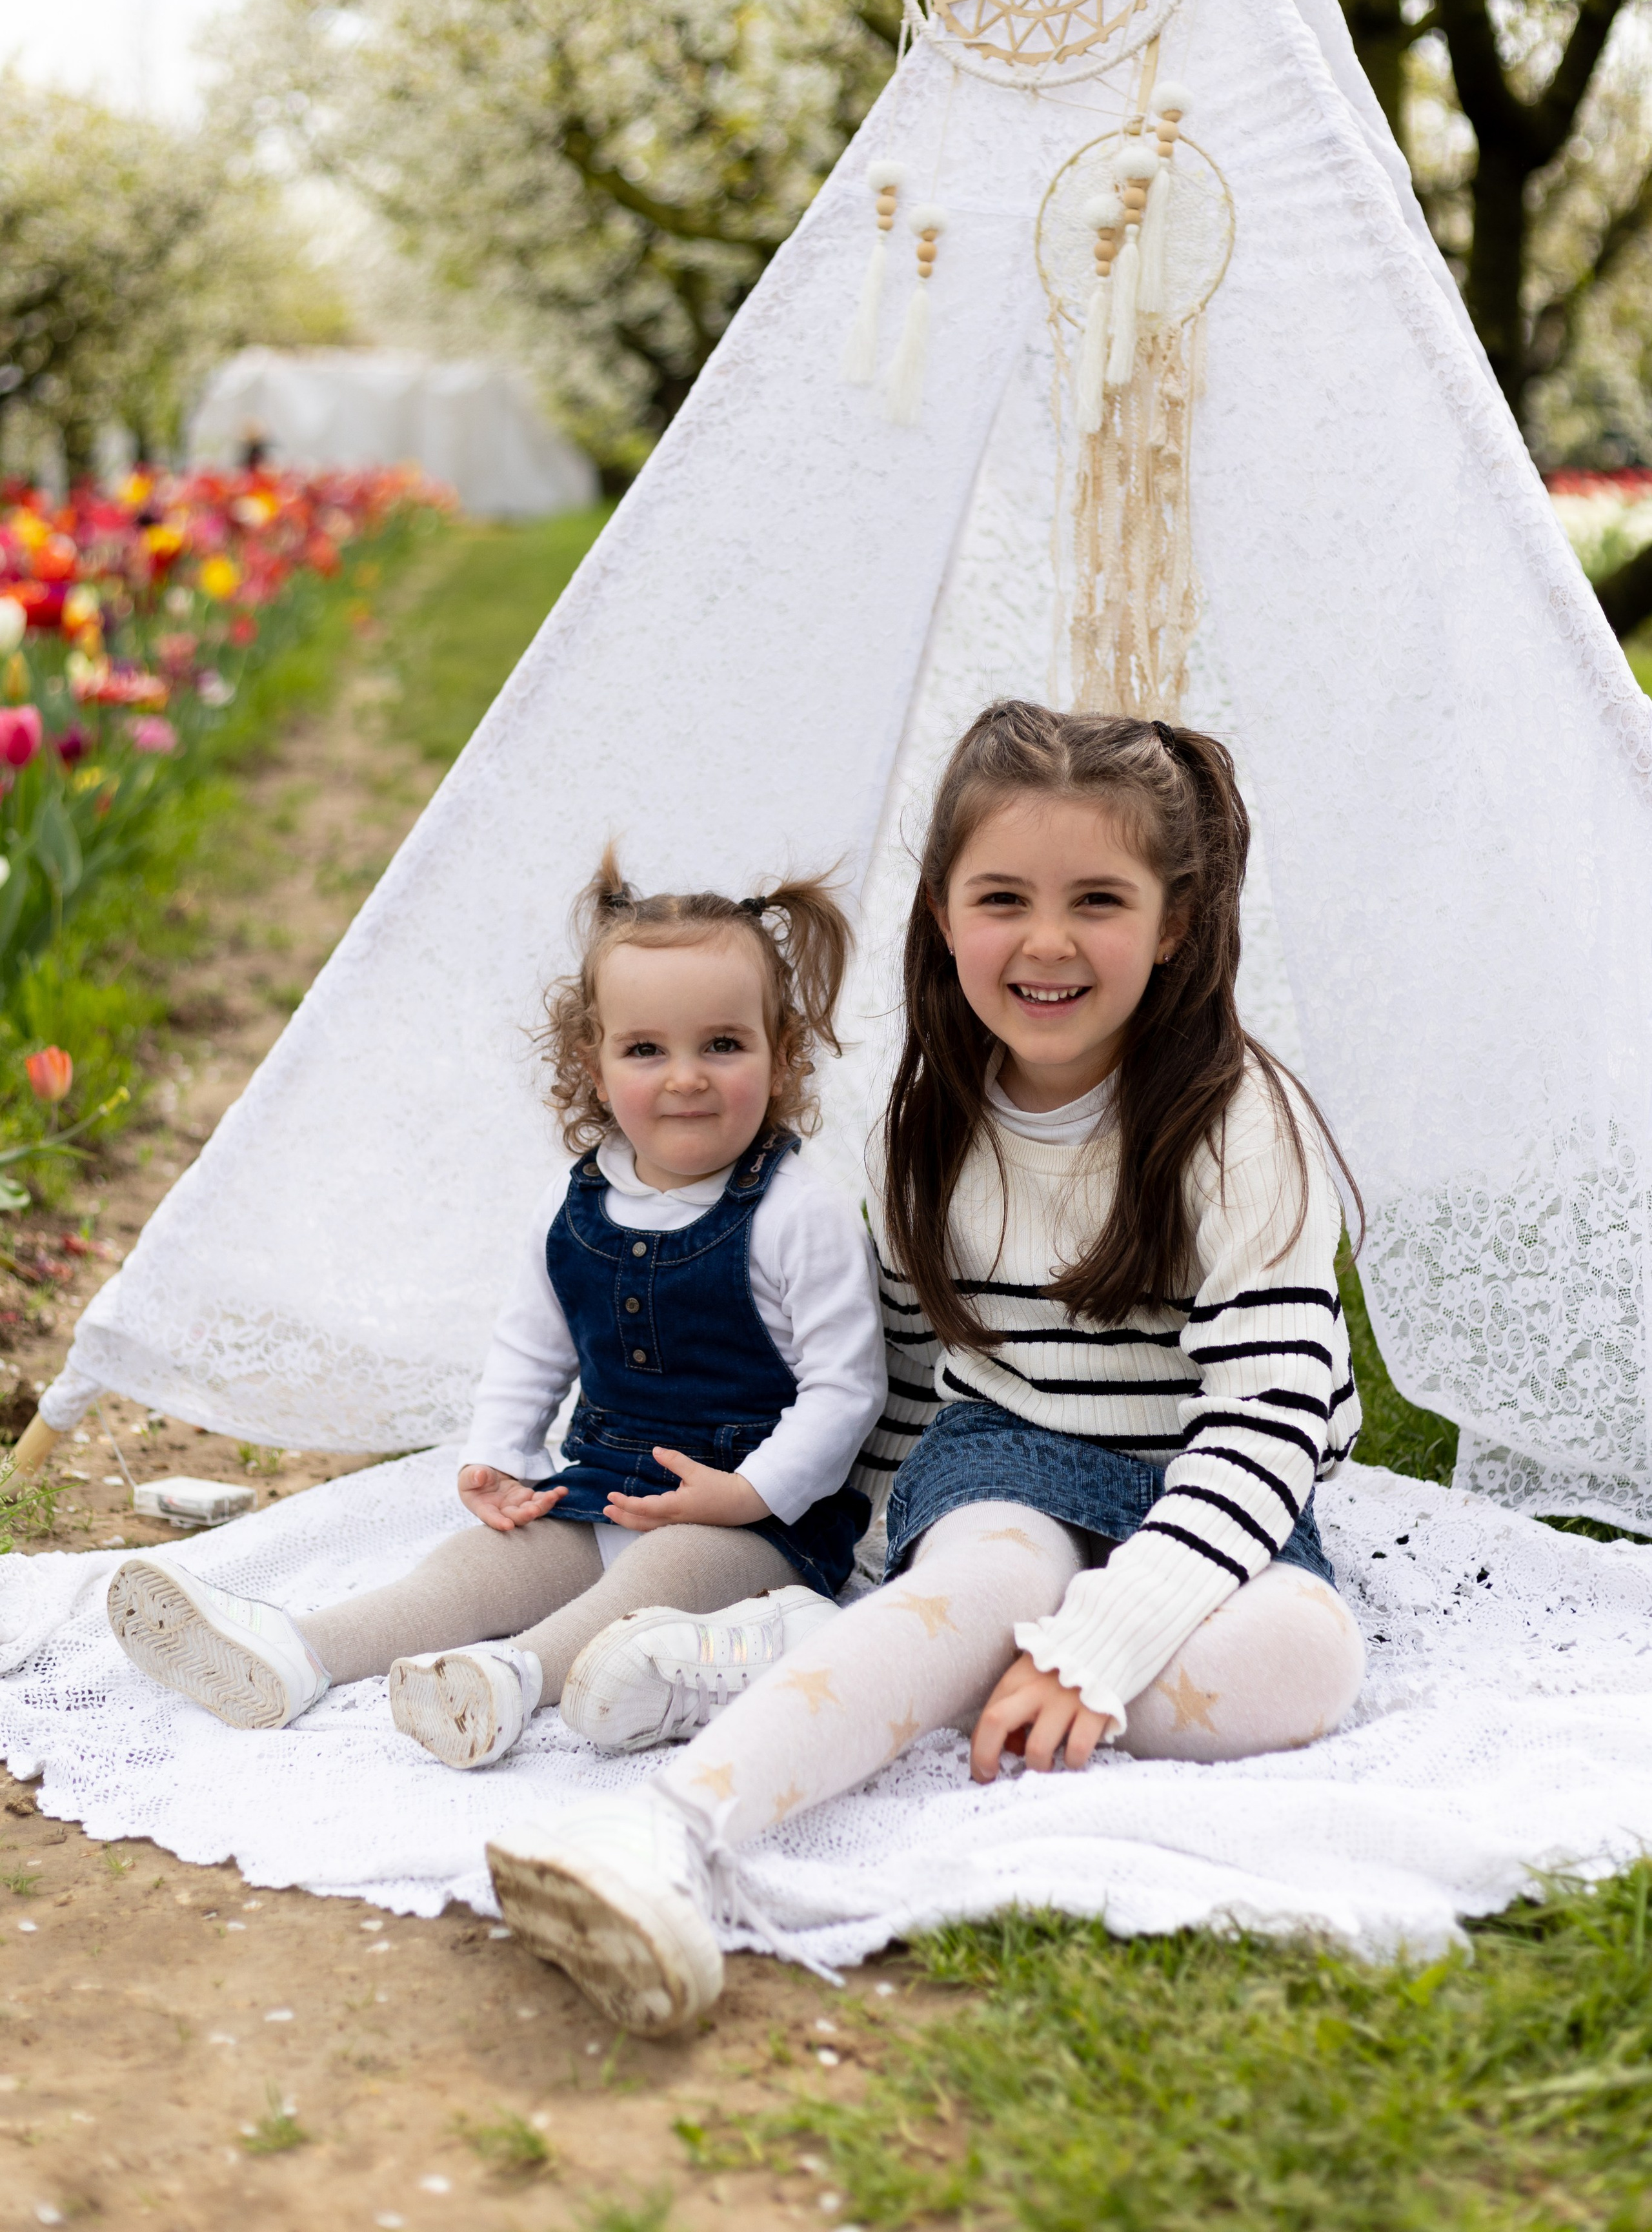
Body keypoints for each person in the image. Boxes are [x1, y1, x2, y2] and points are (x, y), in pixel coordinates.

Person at [483, 701, 1370, 2033]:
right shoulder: (935, 1121)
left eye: (1098, 899)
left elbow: (1261, 1428)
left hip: (1194, 1488)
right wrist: (863, 1564)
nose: (1046, 941)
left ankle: (833, 1665)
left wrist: (1099, 1651)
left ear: (1173, 924)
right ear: (944, 917)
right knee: (986, 1574)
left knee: (1310, 1659)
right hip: (1003, 1468)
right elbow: (906, 1373)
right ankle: (668, 1833)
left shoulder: (1236, 1125)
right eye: (1001, 897)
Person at [105, 855, 885, 1770]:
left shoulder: (800, 1209)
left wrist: (749, 1492)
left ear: (781, 1054)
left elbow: (845, 1389)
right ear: (592, 1067)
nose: (686, 1078)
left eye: (722, 1045)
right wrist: (502, 1456)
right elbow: (531, 1345)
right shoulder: (582, 1204)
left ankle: (508, 1680)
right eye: (646, 1050)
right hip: (600, 1488)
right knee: (473, 1570)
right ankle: (300, 1650)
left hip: (755, 1528)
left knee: (655, 1586)